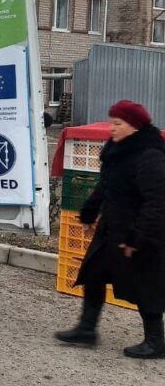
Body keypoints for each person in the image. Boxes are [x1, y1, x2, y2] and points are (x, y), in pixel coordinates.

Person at [55, 100, 165, 359]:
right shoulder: (116, 150)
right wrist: (89, 211)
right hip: (112, 228)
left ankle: (156, 342)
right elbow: (105, 185)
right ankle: (86, 329)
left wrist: (137, 237)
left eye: (118, 123)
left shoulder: (150, 156)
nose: (112, 128)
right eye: (112, 122)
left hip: (141, 233)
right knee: (94, 272)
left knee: (146, 286)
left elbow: (157, 202)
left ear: (135, 126)